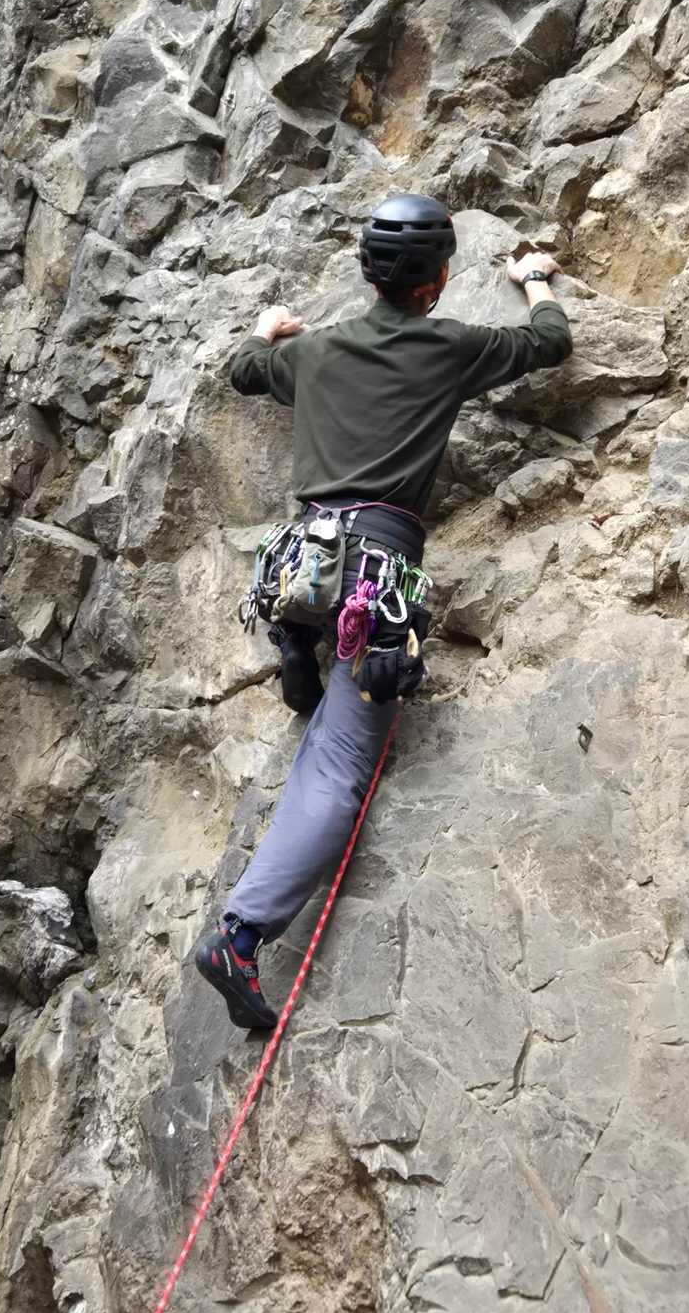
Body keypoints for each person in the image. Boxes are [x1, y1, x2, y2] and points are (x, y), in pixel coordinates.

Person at [194, 194, 573, 1028]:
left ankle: (298, 639)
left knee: (324, 631)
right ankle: (240, 937)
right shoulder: (449, 345)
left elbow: (244, 370)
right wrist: (535, 280)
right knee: (338, 769)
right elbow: (550, 343)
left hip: (304, 556)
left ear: (367, 275)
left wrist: (267, 329)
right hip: (379, 572)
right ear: (436, 282)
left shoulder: (314, 352)